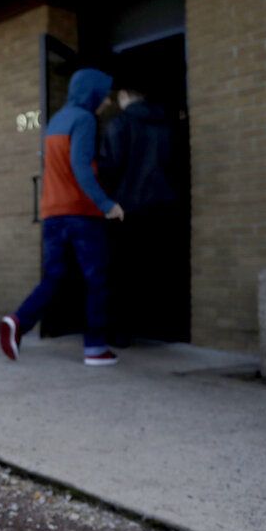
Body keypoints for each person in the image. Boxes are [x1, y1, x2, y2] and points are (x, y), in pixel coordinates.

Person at [0, 68, 123, 366]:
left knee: (54, 277)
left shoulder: (56, 121)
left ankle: (18, 321)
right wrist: (107, 204)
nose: (106, 103)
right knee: (97, 279)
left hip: (52, 214)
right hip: (81, 214)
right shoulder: (84, 120)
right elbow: (81, 168)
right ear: (92, 93)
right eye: (103, 97)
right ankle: (95, 348)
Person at [98, 84, 182, 344]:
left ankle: (121, 333)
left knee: (122, 272)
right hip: (163, 205)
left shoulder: (119, 124)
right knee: (156, 268)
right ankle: (162, 327)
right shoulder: (167, 123)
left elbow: (109, 168)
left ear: (123, 95)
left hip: (127, 207)